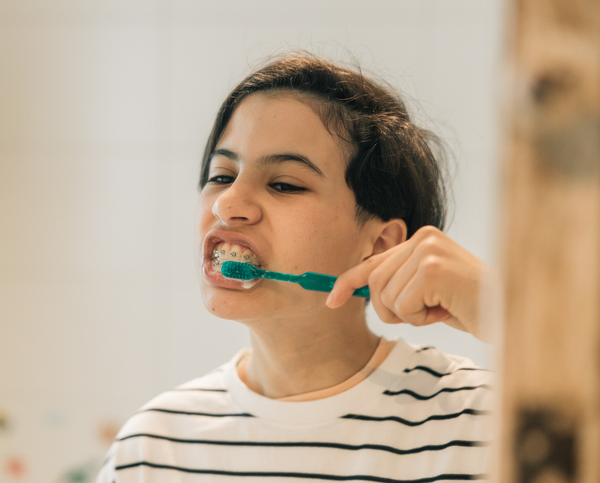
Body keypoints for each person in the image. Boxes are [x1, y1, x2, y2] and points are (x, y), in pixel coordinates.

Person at [96, 53, 496, 482]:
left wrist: (510, 316)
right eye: (221, 175)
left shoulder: (484, 421)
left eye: (284, 184)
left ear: (379, 246)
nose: (227, 204)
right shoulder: (153, 447)